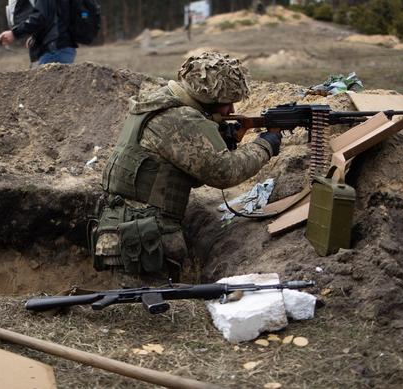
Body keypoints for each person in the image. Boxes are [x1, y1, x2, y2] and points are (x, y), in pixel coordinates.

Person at [92, 52, 281, 280]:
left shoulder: (161, 103)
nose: (230, 111)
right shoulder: (180, 119)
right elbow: (224, 173)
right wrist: (265, 145)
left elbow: (187, 171)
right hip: (142, 236)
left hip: (127, 227)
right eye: (226, 104)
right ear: (207, 99)